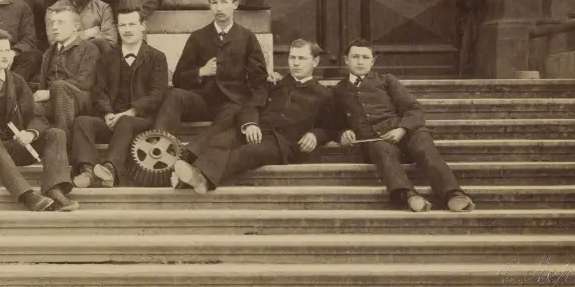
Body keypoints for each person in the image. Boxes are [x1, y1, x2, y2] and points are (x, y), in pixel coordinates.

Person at [170, 39, 333, 193]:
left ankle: (197, 178)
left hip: (282, 144)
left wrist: (316, 135)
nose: (296, 63)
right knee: (221, 140)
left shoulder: (324, 95)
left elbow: (332, 127)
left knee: (247, 153)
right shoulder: (274, 84)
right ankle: (195, 177)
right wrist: (250, 124)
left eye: (302, 58)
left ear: (315, 61)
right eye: (292, 57)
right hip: (258, 130)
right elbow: (251, 105)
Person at [332, 39, 476, 213]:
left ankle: (452, 194)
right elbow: (335, 122)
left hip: (406, 132)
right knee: (381, 150)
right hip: (378, 139)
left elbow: (414, 108)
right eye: (355, 57)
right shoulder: (339, 90)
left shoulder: (386, 80)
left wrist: (402, 129)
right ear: (346, 60)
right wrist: (343, 132)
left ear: (373, 61)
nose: (360, 61)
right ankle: (409, 196)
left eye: (365, 57)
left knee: (424, 144)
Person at [0, 28, 77, 212]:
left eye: (8, 50)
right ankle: (27, 195)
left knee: (55, 134)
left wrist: (30, 133)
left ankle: (54, 189)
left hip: (13, 147)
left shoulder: (18, 82)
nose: (6, 56)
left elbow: (37, 117)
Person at [154, 0, 269, 139]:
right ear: (209, 5)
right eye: (214, 3)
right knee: (175, 95)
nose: (219, 8)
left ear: (234, 5)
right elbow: (178, 78)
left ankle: (192, 152)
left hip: (231, 102)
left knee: (232, 114)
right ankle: (157, 143)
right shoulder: (198, 37)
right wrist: (201, 72)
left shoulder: (247, 37)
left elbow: (259, 80)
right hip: (202, 101)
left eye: (223, 2)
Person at [70, 9, 168, 188]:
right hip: (112, 120)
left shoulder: (157, 57)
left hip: (140, 121)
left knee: (126, 121)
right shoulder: (107, 57)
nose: (127, 29)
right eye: (122, 25)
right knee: (81, 122)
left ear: (143, 26)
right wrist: (107, 113)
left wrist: (132, 111)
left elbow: (158, 93)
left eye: (132, 24)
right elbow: (98, 91)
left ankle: (110, 169)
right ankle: (88, 170)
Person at [32, 2, 100, 129]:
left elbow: (85, 81)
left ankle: (65, 141)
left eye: (60, 22)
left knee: (59, 86)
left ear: (75, 26)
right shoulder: (48, 52)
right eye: (53, 23)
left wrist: (51, 92)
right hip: (52, 100)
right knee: (29, 105)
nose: (54, 27)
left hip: (80, 99)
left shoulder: (89, 48)